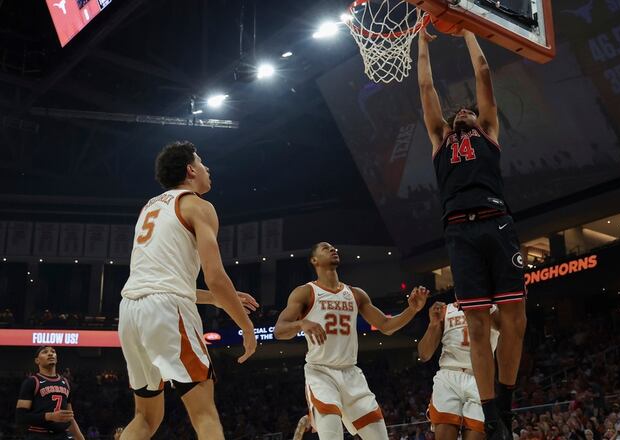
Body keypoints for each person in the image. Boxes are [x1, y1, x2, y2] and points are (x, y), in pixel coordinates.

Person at [417, 25, 527, 440]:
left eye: (468, 109)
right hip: (460, 232)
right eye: (457, 109)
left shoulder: (489, 132)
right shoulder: (439, 138)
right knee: (478, 325)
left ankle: (507, 403)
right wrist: (422, 45)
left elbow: (483, 70)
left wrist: (466, 30)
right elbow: (426, 87)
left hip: (496, 221)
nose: (462, 109)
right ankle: (491, 413)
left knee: (515, 321)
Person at [118, 140, 259, 439]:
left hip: (130, 310)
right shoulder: (198, 205)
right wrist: (246, 327)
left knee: (145, 418)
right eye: (203, 163)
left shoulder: (150, 207)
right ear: (190, 169)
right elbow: (215, 277)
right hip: (167, 310)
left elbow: (165, 280)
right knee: (204, 413)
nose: (208, 169)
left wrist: (220, 302)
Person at [274, 241, 429, 440]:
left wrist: (412, 310)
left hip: (351, 373)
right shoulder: (305, 292)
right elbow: (279, 330)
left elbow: (386, 326)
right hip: (321, 373)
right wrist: (301, 323)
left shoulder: (355, 294)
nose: (332, 249)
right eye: (325, 248)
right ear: (314, 261)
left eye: (333, 247)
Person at [417, 301, 500, 440]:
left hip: (479, 377)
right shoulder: (446, 310)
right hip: (449, 375)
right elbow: (424, 355)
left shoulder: (493, 309)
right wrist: (433, 324)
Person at [15, 346, 85, 440]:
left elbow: (69, 417)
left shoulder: (66, 383)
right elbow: (21, 417)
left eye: (53, 351)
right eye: (45, 352)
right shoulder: (32, 382)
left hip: (61, 435)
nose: (50, 353)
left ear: (56, 359)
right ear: (37, 361)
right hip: (38, 434)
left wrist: (80, 438)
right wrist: (49, 416)